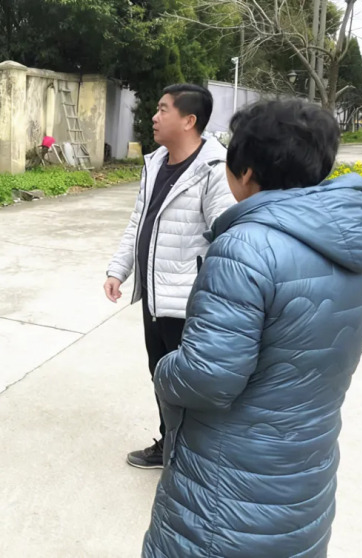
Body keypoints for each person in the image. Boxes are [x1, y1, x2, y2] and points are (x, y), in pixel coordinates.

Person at [142, 100, 362, 557]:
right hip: (306, 470)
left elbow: (208, 377)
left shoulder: (244, 247)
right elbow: (359, 339)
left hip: (228, 484)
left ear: (247, 172)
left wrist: (165, 369)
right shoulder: (355, 248)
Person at [104, 84, 236, 468]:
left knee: (191, 385)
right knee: (160, 376)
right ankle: (169, 445)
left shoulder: (214, 169)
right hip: (155, 297)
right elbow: (138, 222)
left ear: (189, 120)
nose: (154, 116)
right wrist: (119, 269)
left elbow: (227, 239)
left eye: (163, 110)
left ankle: (194, 458)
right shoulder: (156, 163)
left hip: (188, 303)